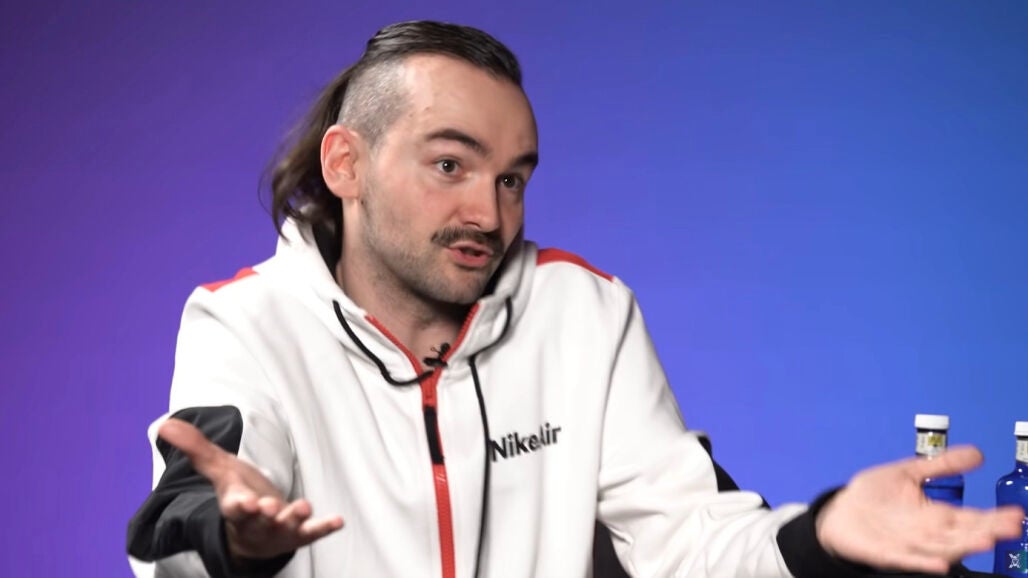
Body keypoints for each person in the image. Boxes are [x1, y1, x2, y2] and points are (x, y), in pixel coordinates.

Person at [126, 20, 1023, 578]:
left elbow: (690, 540)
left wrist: (822, 536)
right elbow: (181, 525)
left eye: (513, 178)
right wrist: (236, 544)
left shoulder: (585, 313)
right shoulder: (245, 320)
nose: (489, 214)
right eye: (450, 165)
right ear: (345, 165)